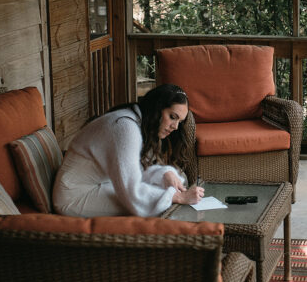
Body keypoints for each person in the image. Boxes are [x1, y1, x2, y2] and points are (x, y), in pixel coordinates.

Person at [52, 83, 204, 217]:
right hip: (73, 196)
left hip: (99, 184)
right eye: (172, 116)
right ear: (157, 108)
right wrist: (178, 197)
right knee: (158, 206)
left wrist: (165, 174)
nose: (175, 126)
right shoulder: (125, 127)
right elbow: (133, 193)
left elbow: (133, 170)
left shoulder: (133, 120)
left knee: (162, 190)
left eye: (180, 121)